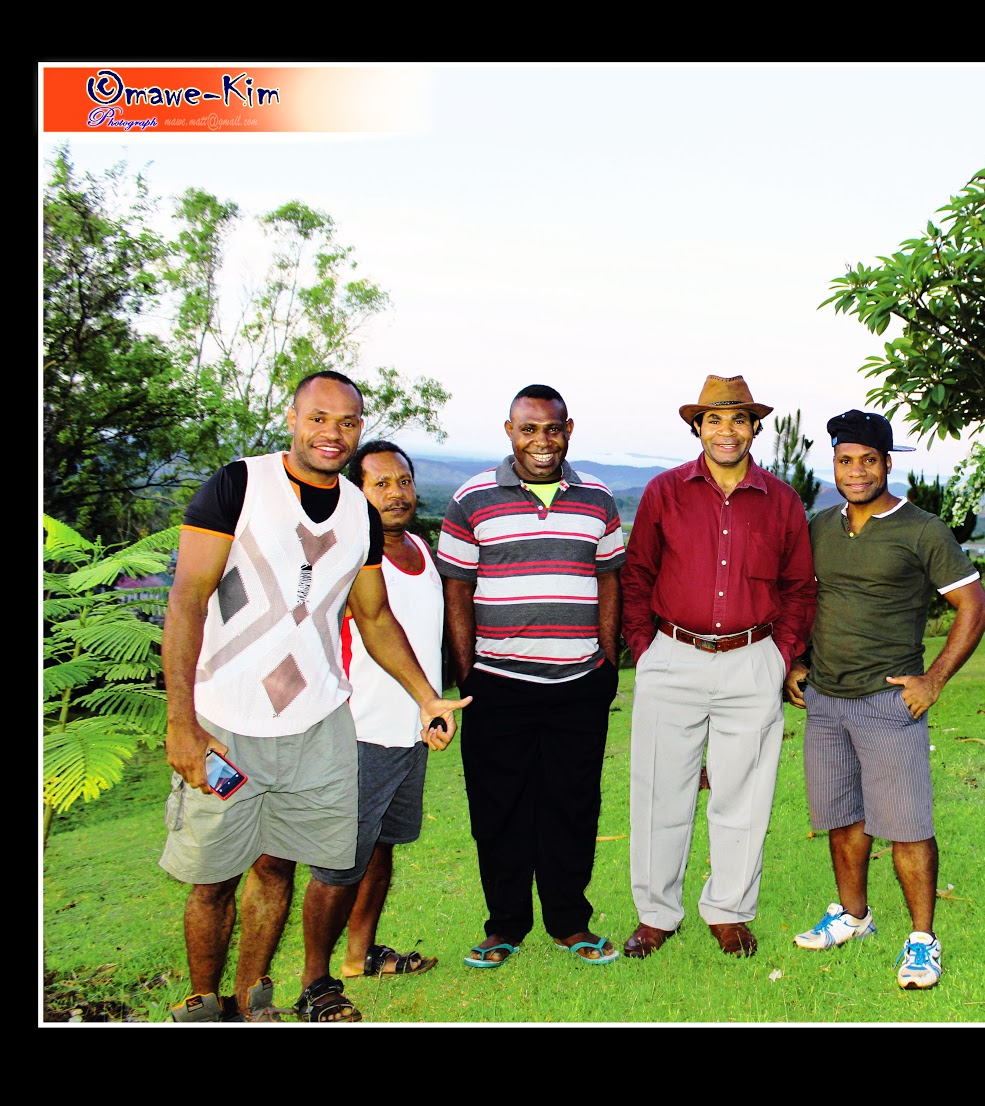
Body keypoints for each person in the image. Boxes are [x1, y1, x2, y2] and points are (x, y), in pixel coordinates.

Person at [160, 371, 469, 1024]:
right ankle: (204, 1004)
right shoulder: (238, 486)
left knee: (277, 868)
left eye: (347, 421)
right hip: (227, 720)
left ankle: (253, 1001)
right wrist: (182, 721)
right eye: (319, 418)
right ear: (293, 419)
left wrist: (425, 697)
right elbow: (187, 600)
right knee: (214, 877)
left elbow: (374, 617)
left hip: (313, 721)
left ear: (359, 428)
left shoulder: (358, 513)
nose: (333, 432)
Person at [784, 409, 985, 990]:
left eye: (868, 461)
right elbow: (807, 601)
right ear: (834, 465)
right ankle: (853, 917)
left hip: (888, 701)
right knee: (841, 816)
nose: (856, 471)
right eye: (845, 461)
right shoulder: (820, 527)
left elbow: (975, 606)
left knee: (907, 825)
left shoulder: (922, 530)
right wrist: (798, 661)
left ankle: (922, 940)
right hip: (826, 700)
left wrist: (935, 679)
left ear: (886, 464)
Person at [620, 374, 816, 959]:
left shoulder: (782, 500)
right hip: (671, 656)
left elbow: (799, 587)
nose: (726, 430)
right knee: (660, 790)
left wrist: (780, 655)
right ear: (697, 428)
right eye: (714, 419)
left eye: (738, 419)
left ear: (755, 428)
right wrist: (645, 650)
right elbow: (637, 575)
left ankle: (729, 911)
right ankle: (656, 914)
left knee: (744, 793)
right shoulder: (664, 492)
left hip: (752, 659)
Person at [438, 384, 626, 969]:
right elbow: (457, 589)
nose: (541, 440)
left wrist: (607, 660)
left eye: (552, 428)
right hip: (497, 683)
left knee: (573, 806)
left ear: (569, 430)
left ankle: (570, 922)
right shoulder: (472, 499)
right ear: (509, 431)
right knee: (499, 809)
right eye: (529, 429)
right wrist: (469, 673)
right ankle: (505, 926)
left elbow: (610, 579)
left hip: (578, 684)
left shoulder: (597, 498)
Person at [301, 441, 445, 985]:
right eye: (380, 484)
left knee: (382, 847)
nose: (395, 493)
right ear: (356, 491)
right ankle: (316, 981)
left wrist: (431, 708)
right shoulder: (347, 554)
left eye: (403, 481)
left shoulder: (421, 549)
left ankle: (359, 956)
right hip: (358, 731)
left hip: (411, 732)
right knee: (339, 862)